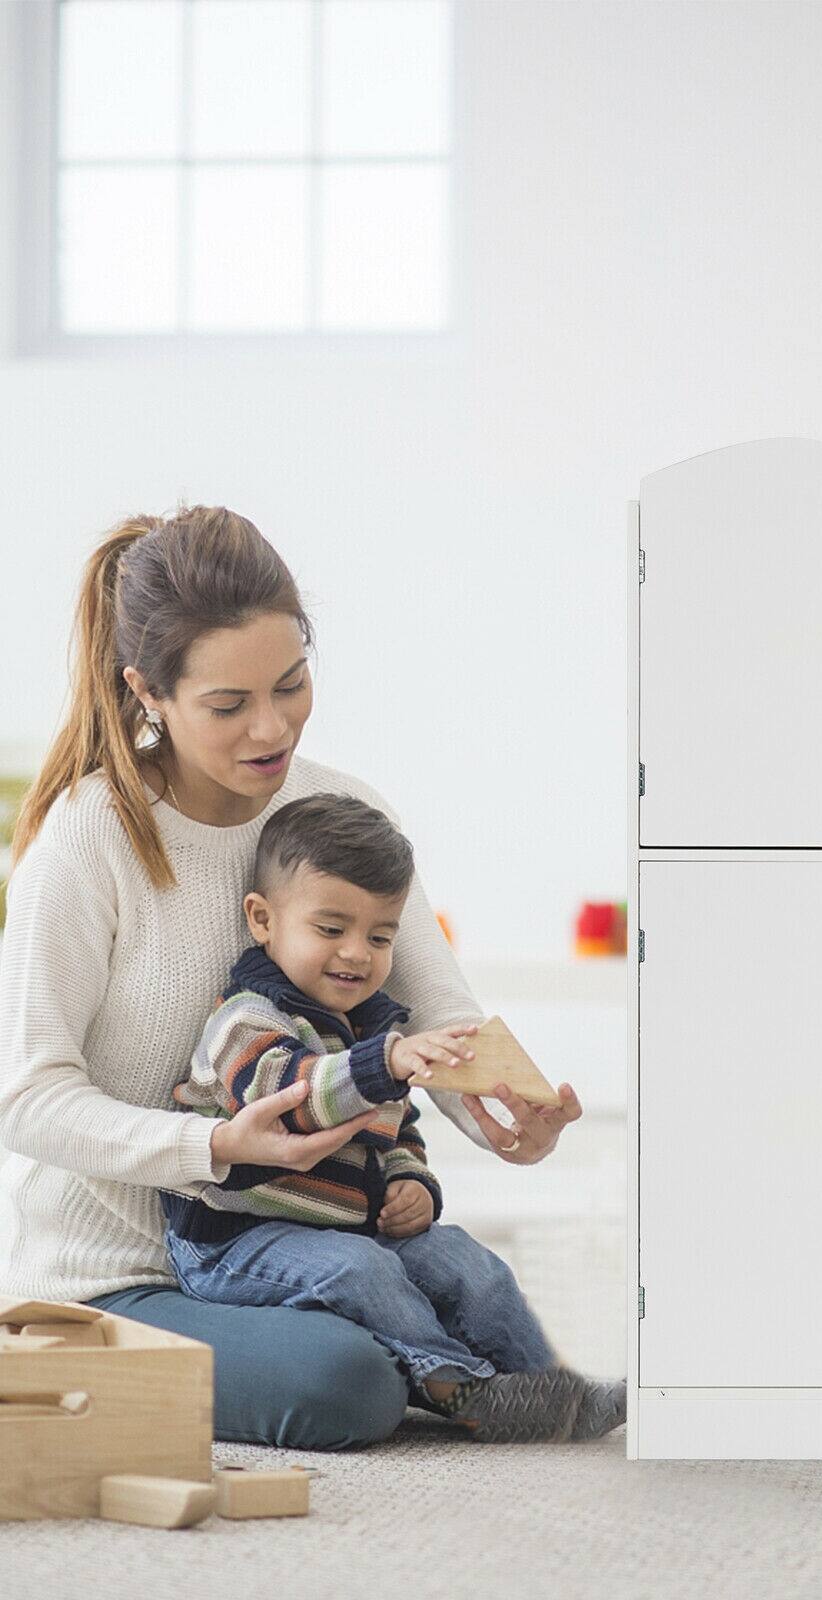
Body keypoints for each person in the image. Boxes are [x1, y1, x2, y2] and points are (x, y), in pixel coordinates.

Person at [0, 506, 603, 1449]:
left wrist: (507, 1117)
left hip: (314, 1243)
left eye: (291, 684)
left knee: (434, 1293)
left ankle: (462, 1379)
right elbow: (25, 1098)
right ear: (147, 693)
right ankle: (66, 1356)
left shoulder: (342, 809)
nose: (270, 727)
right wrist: (211, 1149)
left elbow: (439, 1018)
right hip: (118, 1273)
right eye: (228, 706)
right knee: (345, 1385)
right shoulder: (89, 841)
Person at [162, 791, 623, 1443]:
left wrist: (412, 1182)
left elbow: (395, 1129)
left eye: (379, 937)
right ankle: (467, 1390)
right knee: (364, 1273)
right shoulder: (246, 1020)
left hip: (350, 1227)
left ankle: (550, 1385)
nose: (357, 953)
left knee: (467, 1261)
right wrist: (387, 1061)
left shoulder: (373, 1027)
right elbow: (298, 1096)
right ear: (263, 920)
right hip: (235, 1241)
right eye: (331, 930)